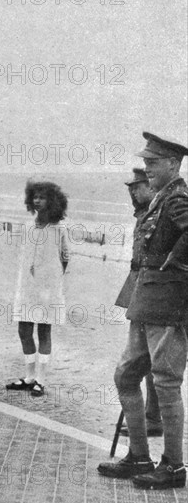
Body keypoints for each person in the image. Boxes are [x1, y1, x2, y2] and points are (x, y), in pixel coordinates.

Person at [98, 132, 188, 490]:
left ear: (173, 164)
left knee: (166, 383)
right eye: (147, 162)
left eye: (153, 163)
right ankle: (138, 456)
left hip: (167, 304)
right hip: (145, 300)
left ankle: (174, 466)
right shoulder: (161, 199)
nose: (147, 169)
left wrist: (175, 261)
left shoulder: (178, 198)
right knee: (126, 375)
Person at [6, 178, 69, 397]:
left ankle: (40, 380)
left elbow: (64, 258)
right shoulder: (26, 227)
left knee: (44, 331)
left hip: (48, 288)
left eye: (43, 197)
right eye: (35, 197)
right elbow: (23, 257)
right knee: (23, 330)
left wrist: (51, 283)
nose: (38, 201)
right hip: (27, 287)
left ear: (52, 201)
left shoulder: (58, 230)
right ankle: (29, 376)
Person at [115, 168, 163, 437]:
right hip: (139, 284)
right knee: (143, 359)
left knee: (152, 358)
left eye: (137, 187)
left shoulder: (157, 213)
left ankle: (154, 417)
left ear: (151, 187)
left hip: (151, 289)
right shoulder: (143, 213)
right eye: (131, 188)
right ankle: (149, 414)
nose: (133, 192)